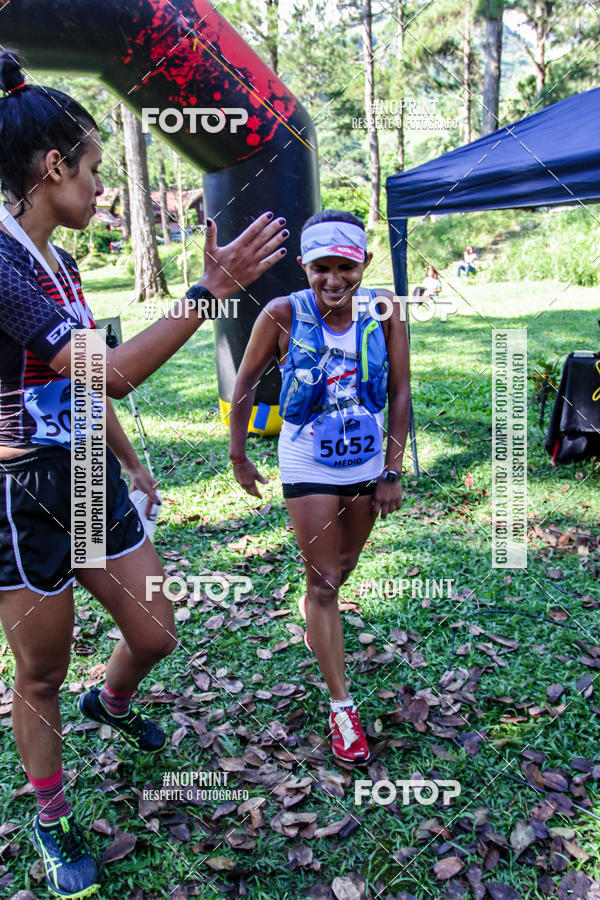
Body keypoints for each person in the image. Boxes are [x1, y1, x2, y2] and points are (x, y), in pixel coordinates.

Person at [0, 50, 287, 899]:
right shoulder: (3, 264)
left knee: (156, 632)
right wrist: (209, 292)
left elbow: (85, 379)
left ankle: (112, 704)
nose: (102, 189)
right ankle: (53, 820)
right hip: (22, 498)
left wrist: (130, 461)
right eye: (93, 171)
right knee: (42, 672)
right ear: (53, 169)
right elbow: (115, 370)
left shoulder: (59, 261)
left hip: (86, 474)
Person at [229, 210, 411, 765]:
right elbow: (244, 386)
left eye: (346, 268)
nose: (334, 281)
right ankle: (342, 709)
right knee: (327, 581)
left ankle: (316, 617)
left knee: (344, 564)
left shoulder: (386, 310)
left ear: (365, 263)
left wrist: (392, 469)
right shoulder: (282, 314)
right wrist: (238, 455)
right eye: (321, 269)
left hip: (364, 461)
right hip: (307, 457)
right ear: (304, 266)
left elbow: (401, 392)